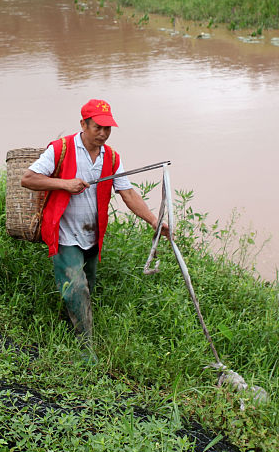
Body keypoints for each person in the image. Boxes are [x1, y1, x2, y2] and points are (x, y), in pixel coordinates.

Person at [20, 98, 168, 358]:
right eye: (97, 127)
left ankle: (65, 328)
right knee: (77, 289)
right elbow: (28, 178)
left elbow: (128, 193)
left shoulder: (110, 157)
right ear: (83, 124)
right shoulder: (61, 148)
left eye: (107, 128)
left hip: (92, 235)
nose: (103, 133)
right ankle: (86, 354)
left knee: (85, 287)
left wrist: (155, 222)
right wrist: (65, 184)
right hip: (64, 232)